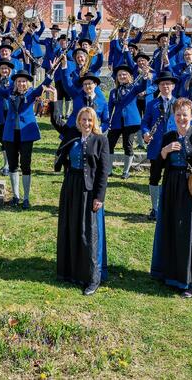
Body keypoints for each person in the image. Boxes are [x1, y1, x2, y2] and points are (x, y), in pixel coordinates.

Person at [150, 98, 192, 298]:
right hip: (172, 188)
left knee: (191, 231)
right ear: (174, 116)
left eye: (185, 114)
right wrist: (163, 152)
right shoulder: (168, 136)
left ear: (191, 115)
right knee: (172, 229)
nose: (182, 118)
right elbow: (157, 169)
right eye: (178, 114)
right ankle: (172, 275)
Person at [55, 106, 110, 296]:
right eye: (83, 120)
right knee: (71, 227)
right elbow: (56, 120)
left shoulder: (101, 140)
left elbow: (104, 172)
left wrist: (99, 197)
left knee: (89, 233)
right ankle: (70, 272)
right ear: (78, 121)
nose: (86, 123)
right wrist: (55, 101)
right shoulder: (73, 137)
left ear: (94, 122)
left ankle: (92, 279)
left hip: (89, 191)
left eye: (89, 120)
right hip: (71, 186)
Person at [0, 67, 55, 209]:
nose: (21, 83)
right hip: (10, 134)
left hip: (26, 134)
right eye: (19, 81)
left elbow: (43, 85)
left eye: (23, 81)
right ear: (15, 83)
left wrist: (51, 72)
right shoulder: (9, 93)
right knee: (13, 165)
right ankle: (16, 196)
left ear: (27, 83)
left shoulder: (32, 93)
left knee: (26, 165)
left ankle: (26, 198)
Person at [141, 70, 180, 220]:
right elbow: (145, 122)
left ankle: (170, 207)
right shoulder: (152, 104)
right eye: (163, 84)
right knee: (154, 176)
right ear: (159, 86)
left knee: (171, 178)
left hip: (173, 145)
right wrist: (145, 133)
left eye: (168, 84)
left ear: (173, 86)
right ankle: (155, 208)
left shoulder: (178, 103)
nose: (165, 87)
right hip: (156, 145)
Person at [107, 64, 147, 179]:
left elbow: (142, 87)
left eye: (124, 74)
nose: (122, 76)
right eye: (119, 75)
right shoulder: (113, 92)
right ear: (117, 77)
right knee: (110, 144)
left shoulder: (133, 88)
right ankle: (109, 170)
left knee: (127, 145)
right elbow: (110, 107)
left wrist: (144, 76)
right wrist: (107, 120)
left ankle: (126, 171)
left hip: (130, 122)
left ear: (129, 76)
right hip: (116, 122)